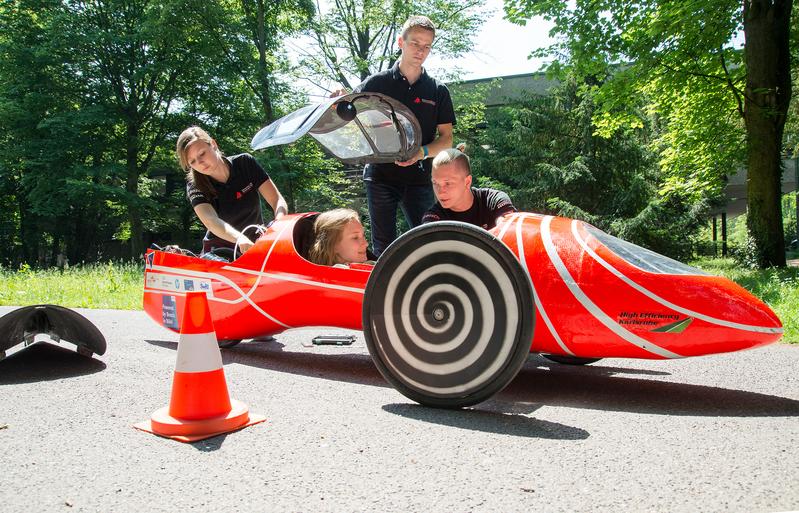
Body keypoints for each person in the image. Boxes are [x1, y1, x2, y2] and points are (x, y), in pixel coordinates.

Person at [347, 15, 456, 257]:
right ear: (401, 42)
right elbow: (347, 108)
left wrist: (421, 153)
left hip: (420, 179)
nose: (421, 51)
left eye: (427, 46)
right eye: (415, 43)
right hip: (380, 176)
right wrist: (338, 98)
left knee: (430, 243)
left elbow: (446, 139)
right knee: (384, 247)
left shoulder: (437, 90)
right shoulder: (376, 83)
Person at [176, 126, 288, 255]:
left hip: (257, 243)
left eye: (202, 154)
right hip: (219, 251)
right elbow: (210, 220)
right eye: (193, 162)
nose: (200, 163)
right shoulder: (194, 184)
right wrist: (240, 239)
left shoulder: (245, 163)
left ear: (213, 144)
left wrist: (279, 225)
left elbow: (277, 200)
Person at [422, 148, 516, 230]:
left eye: (448, 183)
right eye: (435, 183)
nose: (440, 192)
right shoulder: (434, 217)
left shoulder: (494, 201)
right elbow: (428, 236)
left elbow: (508, 229)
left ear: (467, 182)